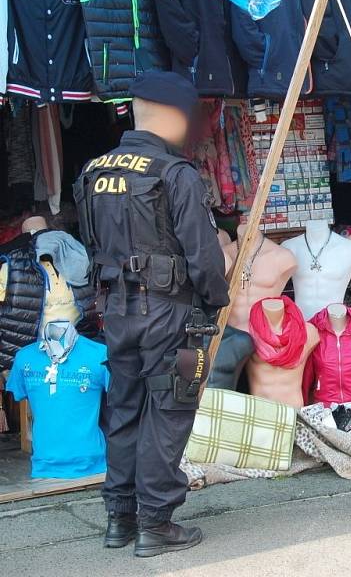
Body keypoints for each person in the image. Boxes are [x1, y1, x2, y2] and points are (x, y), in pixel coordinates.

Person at [73, 72, 229, 556]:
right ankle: (156, 524)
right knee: (169, 411)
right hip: (170, 314)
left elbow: (91, 247)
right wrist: (214, 303)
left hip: (116, 309)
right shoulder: (174, 173)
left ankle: (119, 518)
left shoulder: (93, 172)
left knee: (124, 410)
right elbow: (203, 256)